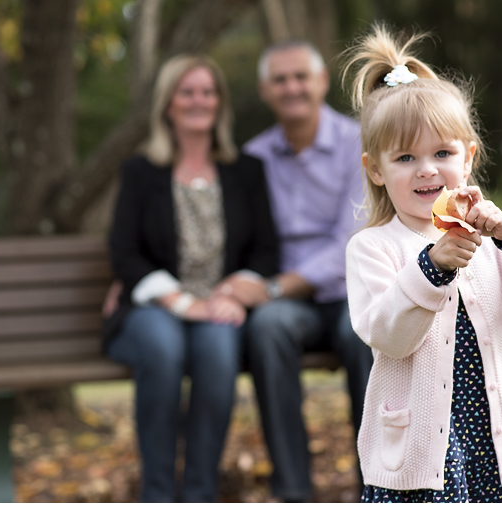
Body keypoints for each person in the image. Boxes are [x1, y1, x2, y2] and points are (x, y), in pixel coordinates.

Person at [341, 24, 502, 503]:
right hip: (419, 466)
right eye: (406, 157)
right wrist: (431, 268)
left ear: (468, 156)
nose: (427, 169)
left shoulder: (497, 237)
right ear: (376, 169)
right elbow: (389, 335)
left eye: (442, 153)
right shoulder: (374, 248)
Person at [104, 54, 279, 503]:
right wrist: (182, 302)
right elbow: (124, 252)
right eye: (188, 92)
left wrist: (237, 293)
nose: (199, 100)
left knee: (220, 350)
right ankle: (157, 494)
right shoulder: (141, 172)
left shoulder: (247, 170)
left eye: (208, 91)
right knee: (163, 349)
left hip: (219, 305)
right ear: (168, 104)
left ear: (220, 102)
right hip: (155, 307)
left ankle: (200, 494)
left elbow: (265, 249)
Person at [214, 39, 374, 502]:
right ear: (265, 90)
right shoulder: (253, 157)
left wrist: (272, 287)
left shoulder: (359, 143)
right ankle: (294, 490)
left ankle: (379, 486)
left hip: (352, 290)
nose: (292, 88)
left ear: (322, 81)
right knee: (267, 329)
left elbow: (352, 240)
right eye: (280, 80)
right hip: (287, 305)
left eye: (301, 76)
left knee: (364, 333)